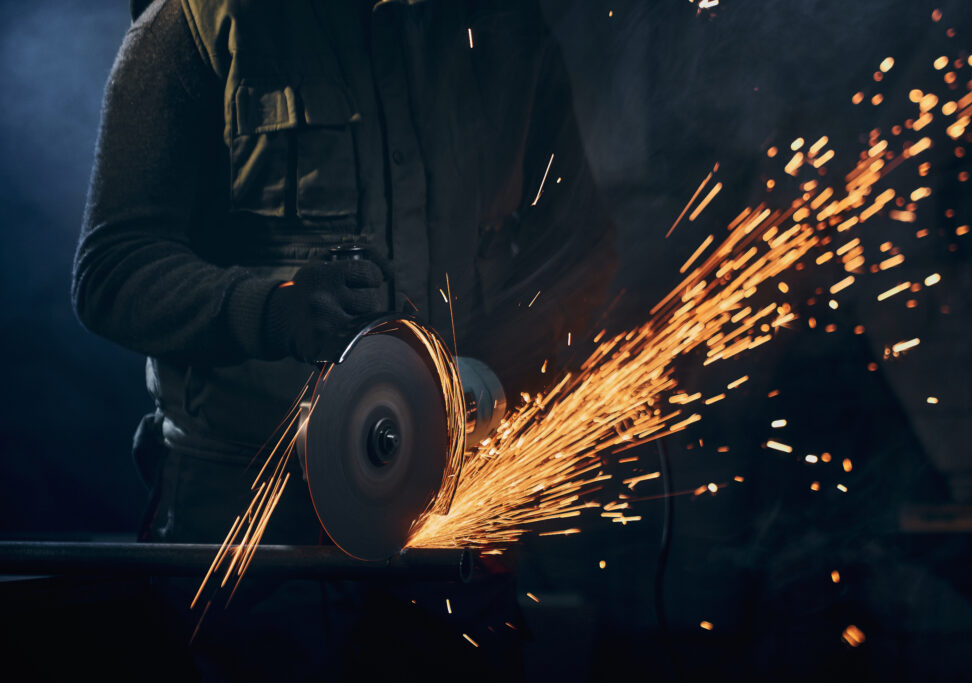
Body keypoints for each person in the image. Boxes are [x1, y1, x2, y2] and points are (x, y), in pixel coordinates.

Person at [73, 0, 616, 679]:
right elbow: (112, 269)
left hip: (448, 515)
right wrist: (273, 310)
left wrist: (491, 370)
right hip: (252, 536)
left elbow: (578, 246)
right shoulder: (201, 21)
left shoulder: (503, 26)